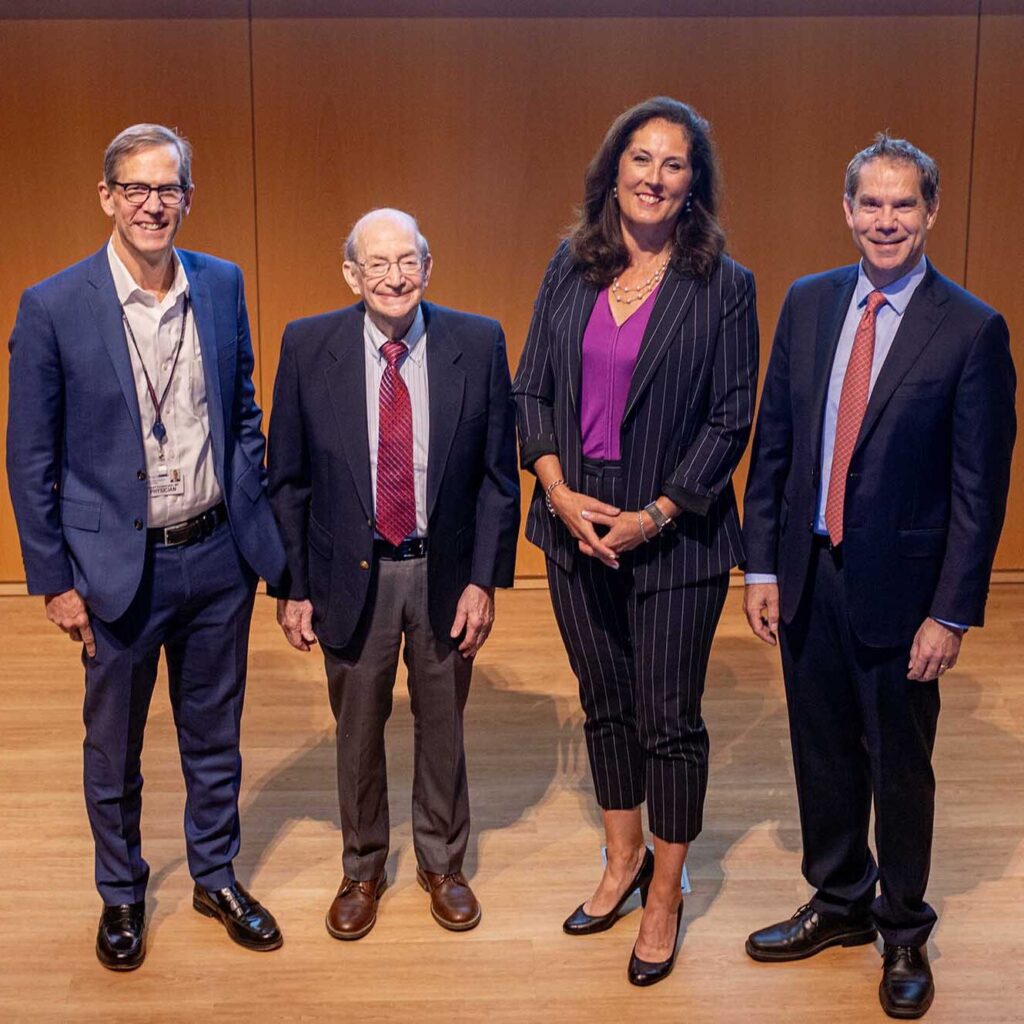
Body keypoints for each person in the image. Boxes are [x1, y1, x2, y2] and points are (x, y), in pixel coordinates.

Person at [742, 134, 1016, 1019]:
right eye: (872, 204)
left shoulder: (972, 328)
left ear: (930, 213)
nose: (887, 220)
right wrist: (760, 564)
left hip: (904, 596)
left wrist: (952, 613)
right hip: (807, 576)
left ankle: (903, 926)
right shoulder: (810, 302)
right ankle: (840, 901)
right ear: (848, 211)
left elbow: (981, 488)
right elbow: (775, 444)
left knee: (899, 767)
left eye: (904, 205)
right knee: (820, 755)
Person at [6, 124, 288, 970]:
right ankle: (121, 893)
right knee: (113, 747)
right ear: (107, 197)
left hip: (216, 557)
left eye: (168, 189)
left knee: (214, 734)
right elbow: (30, 457)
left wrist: (254, 537)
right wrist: (55, 580)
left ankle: (214, 873)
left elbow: (242, 417)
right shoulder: (52, 305)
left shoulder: (225, 285)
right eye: (135, 188)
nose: (152, 204)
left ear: (188, 199)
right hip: (112, 571)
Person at [513, 96, 758, 986]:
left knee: (669, 719)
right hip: (572, 526)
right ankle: (618, 863)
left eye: (675, 164)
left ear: (695, 184)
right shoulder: (570, 265)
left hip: (675, 538)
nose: (655, 177)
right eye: (641, 159)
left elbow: (731, 420)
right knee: (603, 701)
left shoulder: (724, 284)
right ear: (612, 171)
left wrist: (657, 511)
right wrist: (554, 486)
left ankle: (664, 891)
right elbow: (530, 390)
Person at [267, 208, 519, 940]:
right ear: (351, 274)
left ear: (428, 267)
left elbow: (499, 481)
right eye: (376, 264)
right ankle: (363, 866)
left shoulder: (477, 340)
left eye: (406, 261)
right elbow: (286, 479)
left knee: (443, 726)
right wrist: (293, 585)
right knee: (357, 728)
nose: (393, 277)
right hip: (352, 574)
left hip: (443, 571)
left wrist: (484, 580)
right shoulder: (310, 345)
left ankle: (442, 863)